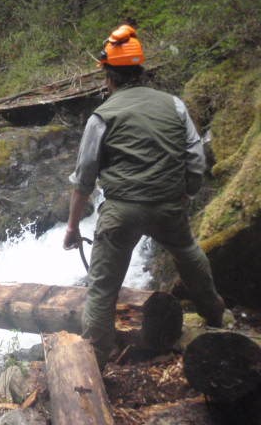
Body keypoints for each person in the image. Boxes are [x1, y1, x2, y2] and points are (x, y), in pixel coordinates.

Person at [63, 24, 225, 368]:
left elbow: (83, 179)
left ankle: (96, 361)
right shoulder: (174, 105)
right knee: (189, 253)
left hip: (121, 211)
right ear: (142, 71)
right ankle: (215, 316)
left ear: (108, 74)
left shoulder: (101, 116)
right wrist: (186, 193)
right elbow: (195, 157)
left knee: (102, 290)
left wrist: (72, 227)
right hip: (169, 205)